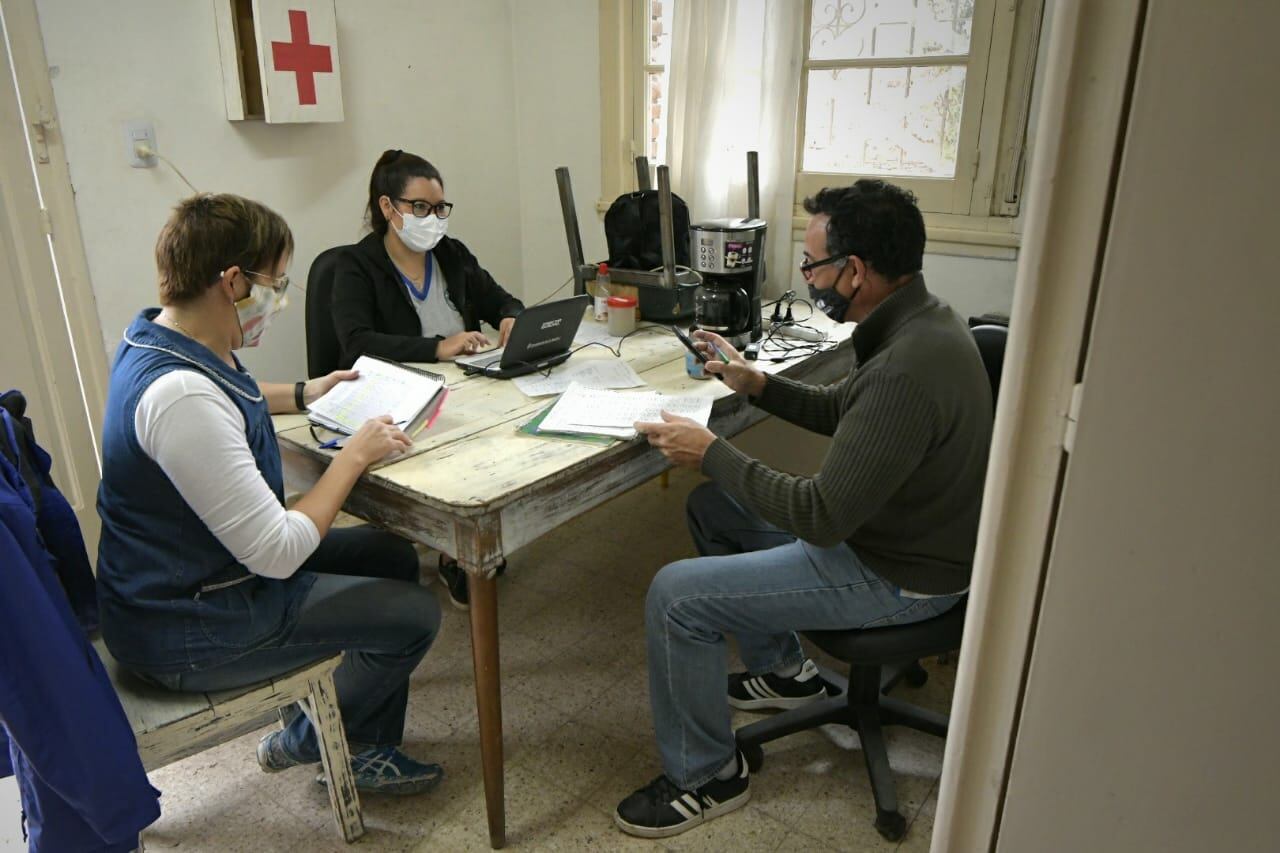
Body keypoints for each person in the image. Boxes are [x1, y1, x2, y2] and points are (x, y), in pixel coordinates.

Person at [613, 179, 995, 838]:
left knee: (675, 595)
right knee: (716, 509)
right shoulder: (922, 320)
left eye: (815, 264)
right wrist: (755, 382)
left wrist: (711, 451)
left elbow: (820, 515)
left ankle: (706, 775)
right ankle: (785, 671)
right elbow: (846, 409)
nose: (807, 277)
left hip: (901, 576)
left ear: (856, 271)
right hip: (904, 541)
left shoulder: (908, 365)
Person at [96, 193, 445, 796]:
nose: (278, 300)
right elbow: (278, 552)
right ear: (231, 281)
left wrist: (311, 391)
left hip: (200, 580)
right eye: (274, 284)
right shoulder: (180, 399)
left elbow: (230, 390)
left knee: (391, 556)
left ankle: (365, 747)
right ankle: (306, 737)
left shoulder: (165, 335)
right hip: (187, 624)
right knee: (415, 617)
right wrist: (355, 455)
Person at [331, 149, 523, 608]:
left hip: (462, 385)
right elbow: (356, 342)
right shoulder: (356, 267)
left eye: (439, 208)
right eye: (420, 207)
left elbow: (501, 299)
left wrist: (513, 317)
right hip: (397, 394)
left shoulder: (451, 254)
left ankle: (468, 539)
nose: (433, 218)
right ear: (387, 208)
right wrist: (438, 347)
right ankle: (453, 550)